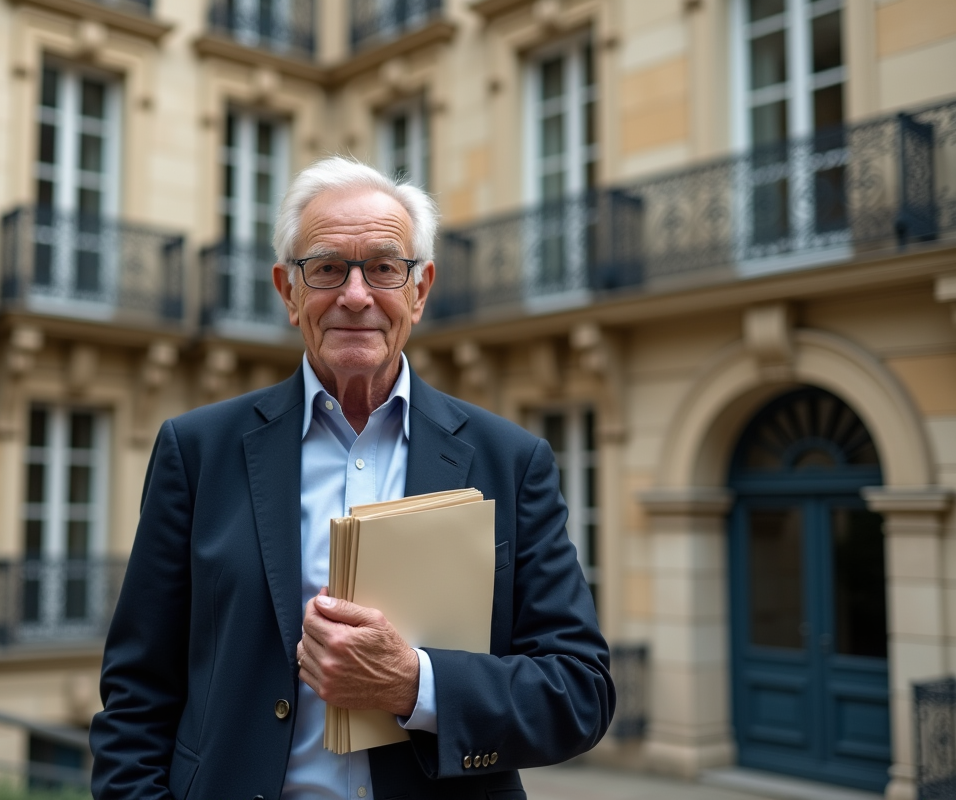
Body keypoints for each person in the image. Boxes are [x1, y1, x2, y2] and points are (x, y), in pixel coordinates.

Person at [89, 157, 614, 800]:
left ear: (419, 291)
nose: (357, 295)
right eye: (328, 267)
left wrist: (412, 686)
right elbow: (138, 693)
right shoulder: (197, 452)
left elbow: (580, 692)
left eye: (385, 268)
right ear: (288, 291)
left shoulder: (510, 460)